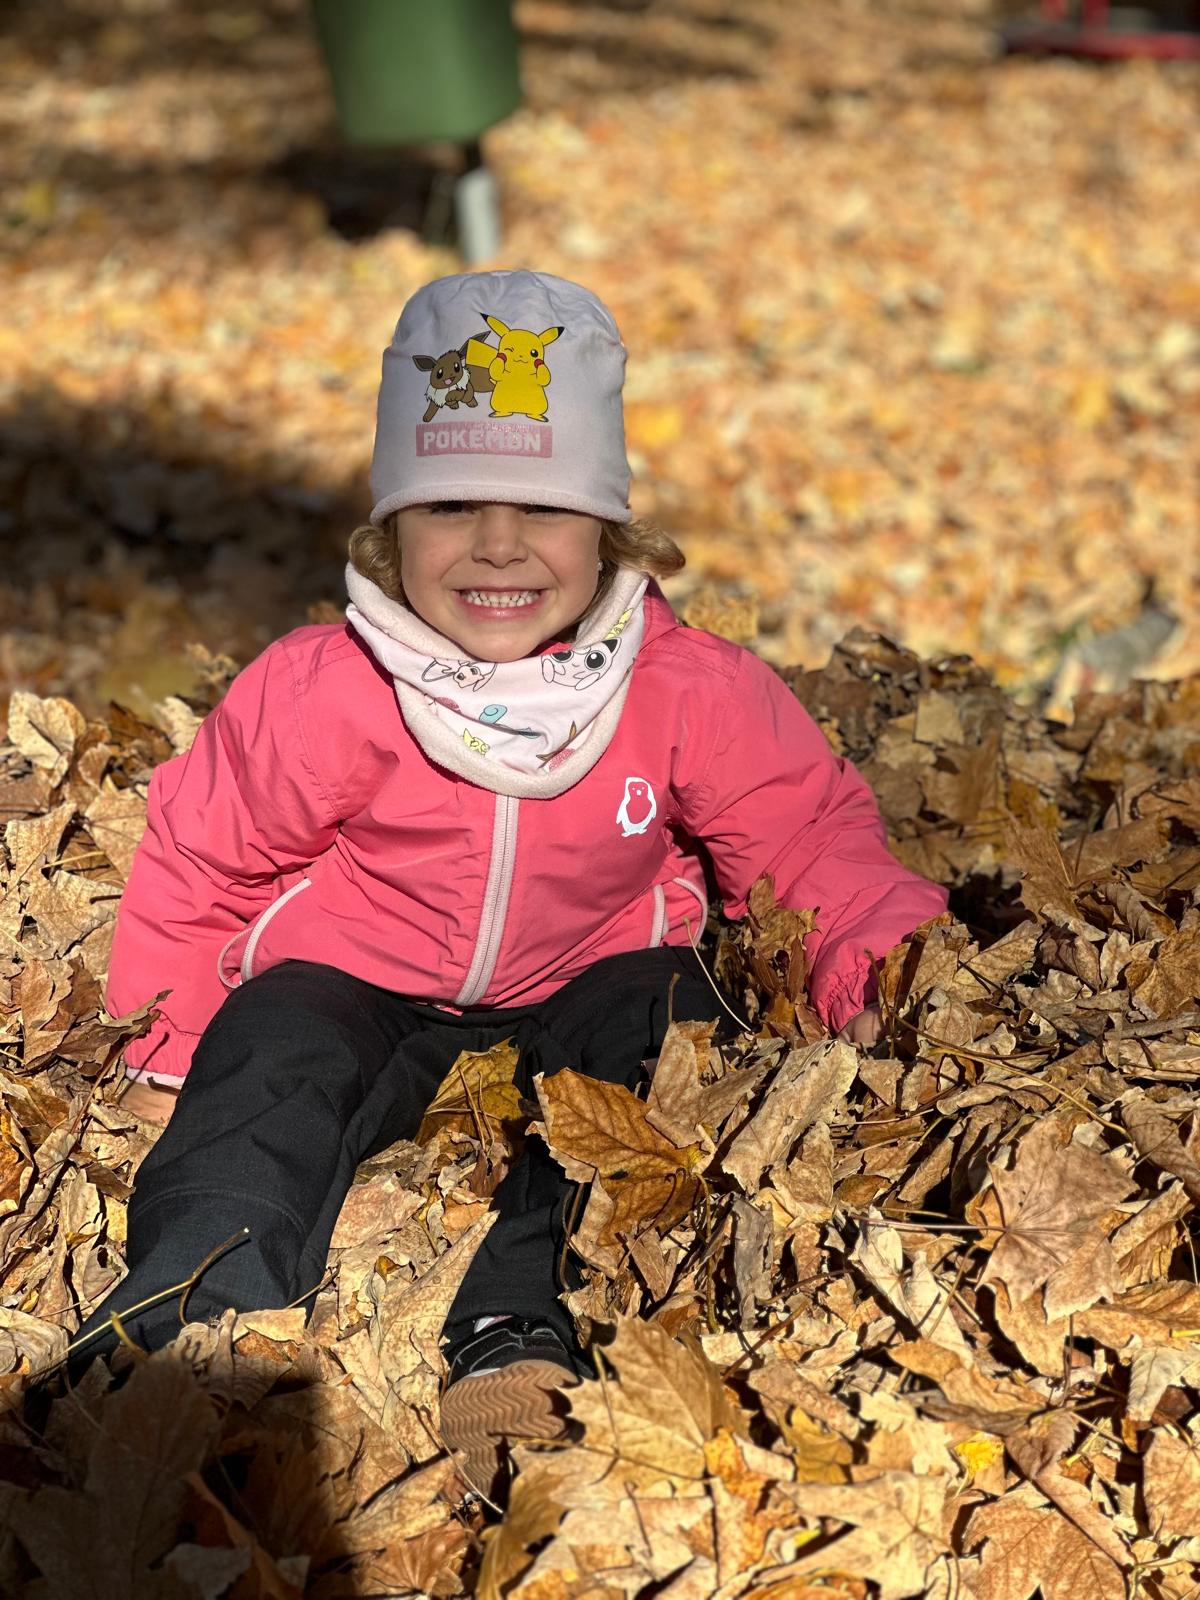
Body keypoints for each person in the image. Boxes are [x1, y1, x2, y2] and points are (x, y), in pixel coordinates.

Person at [72, 269, 948, 1494]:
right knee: (269, 1051)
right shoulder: (330, 686)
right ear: (391, 532)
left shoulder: (683, 689)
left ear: (608, 531)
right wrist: (165, 1054)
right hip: (364, 976)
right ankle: (189, 1324)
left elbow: (808, 847)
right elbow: (205, 854)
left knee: (669, 1027)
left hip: (594, 971)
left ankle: (522, 1321)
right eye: (449, 506)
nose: (496, 544)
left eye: (543, 507)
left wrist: (897, 978)